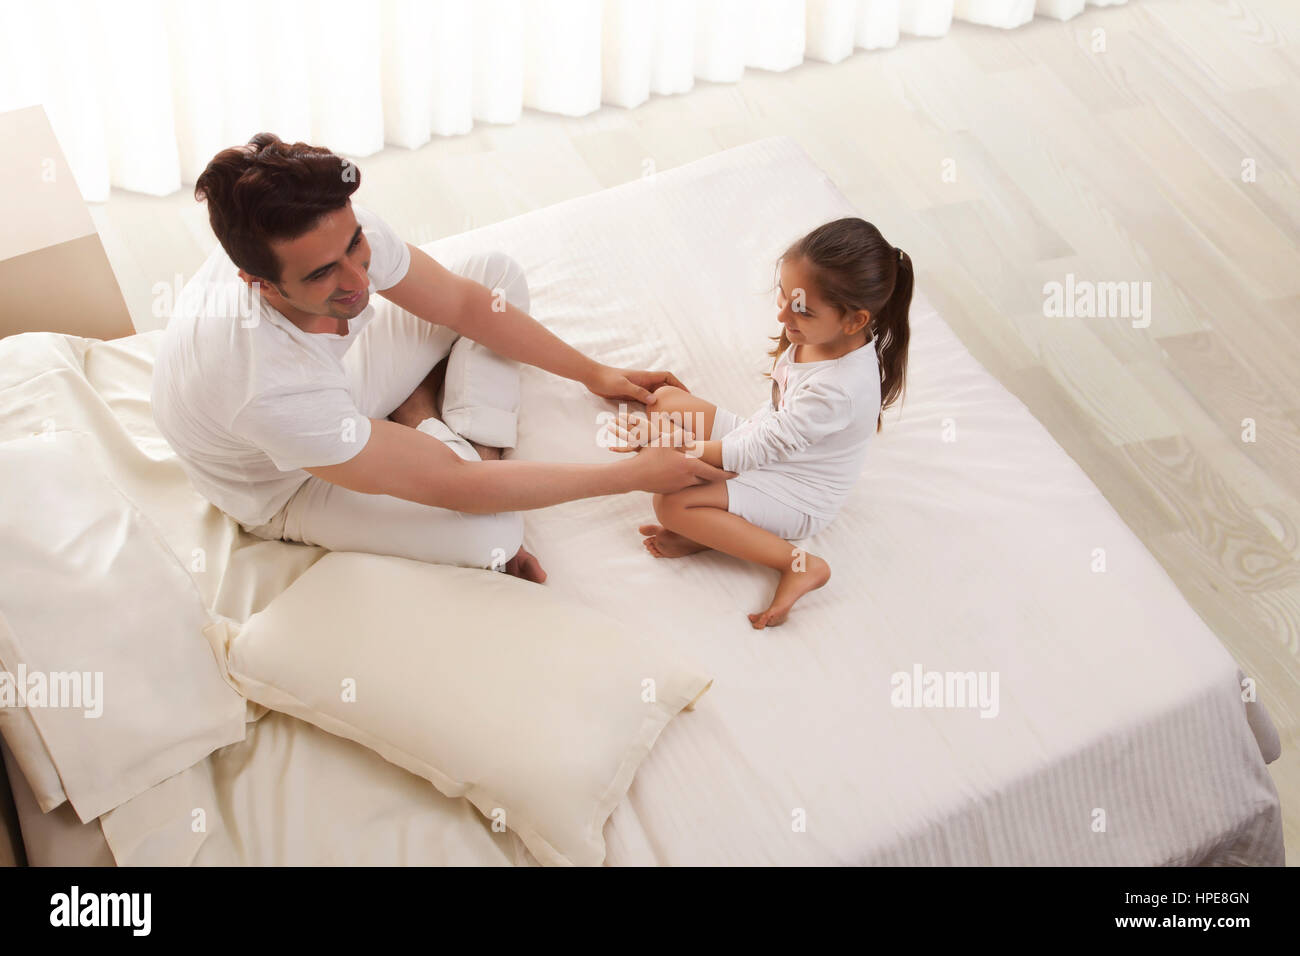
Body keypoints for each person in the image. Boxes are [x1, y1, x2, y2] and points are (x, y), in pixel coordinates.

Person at [151, 133, 731, 583]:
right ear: (260, 284)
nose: (357, 280)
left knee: (494, 277)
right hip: (285, 482)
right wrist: (630, 476)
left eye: (355, 245)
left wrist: (594, 372)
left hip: (336, 395)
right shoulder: (265, 384)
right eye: (324, 272)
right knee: (496, 537)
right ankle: (421, 416)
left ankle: (441, 426)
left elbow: (460, 302)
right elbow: (453, 485)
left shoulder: (334, 234)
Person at [610, 218, 912, 627]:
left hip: (796, 491)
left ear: (854, 321)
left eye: (801, 309)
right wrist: (675, 438)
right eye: (785, 297)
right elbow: (768, 429)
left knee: (671, 502)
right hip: (767, 444)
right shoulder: (815, 336)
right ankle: (715, 530)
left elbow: (753, 452)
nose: (784, 314)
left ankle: (799, 564)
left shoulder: (839, 388)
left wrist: (674, 446)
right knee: (664, 401)